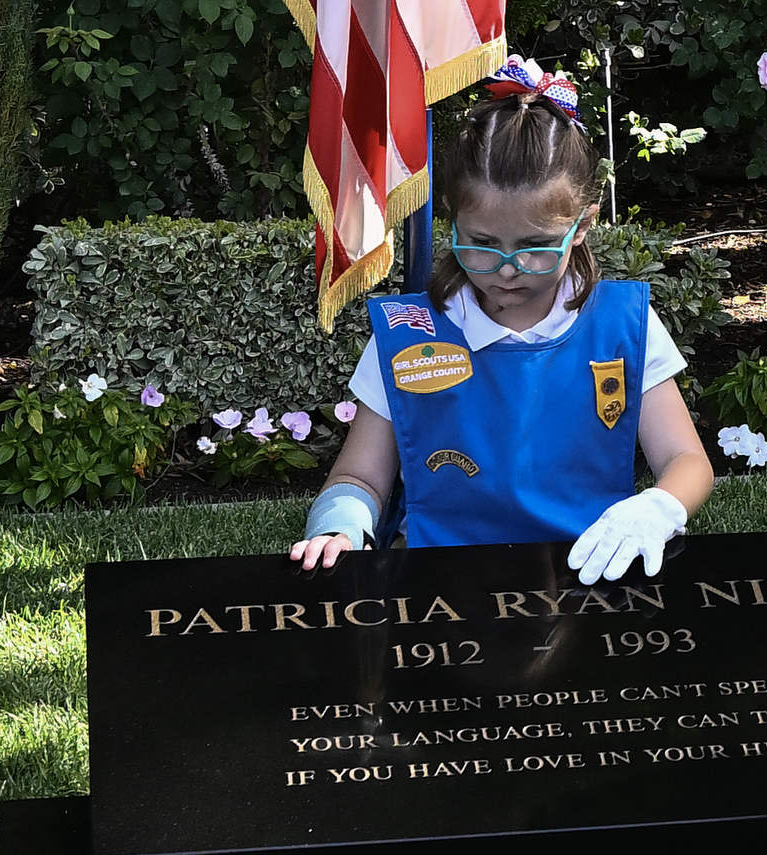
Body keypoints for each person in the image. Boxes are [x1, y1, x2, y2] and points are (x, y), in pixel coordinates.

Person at [290, 59, 715, 580]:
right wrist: (340, 524)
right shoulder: (406, 334)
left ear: (583, 224)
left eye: (535, 247)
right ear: (450, 215)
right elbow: (360, 474)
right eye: (483, 244)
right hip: (440, 577)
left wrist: (659, 508)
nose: (507, 271)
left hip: (593, 567)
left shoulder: (625, 323)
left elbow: (687, 462)